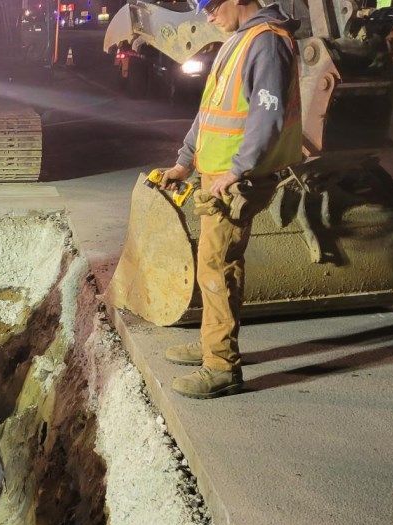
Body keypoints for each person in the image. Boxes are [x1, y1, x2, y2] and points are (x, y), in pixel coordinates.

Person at [158, 0, 302, 399]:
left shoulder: (266, 43)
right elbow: (209, 112)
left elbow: (266, 116)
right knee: (214, 263)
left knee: (218, 266)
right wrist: (185, 162)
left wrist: (238, 170)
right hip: (218, 176)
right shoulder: (238, 41)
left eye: (212, 5)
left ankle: (221, 366)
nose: (207, 15)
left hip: (235, 181)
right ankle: (212, 341)